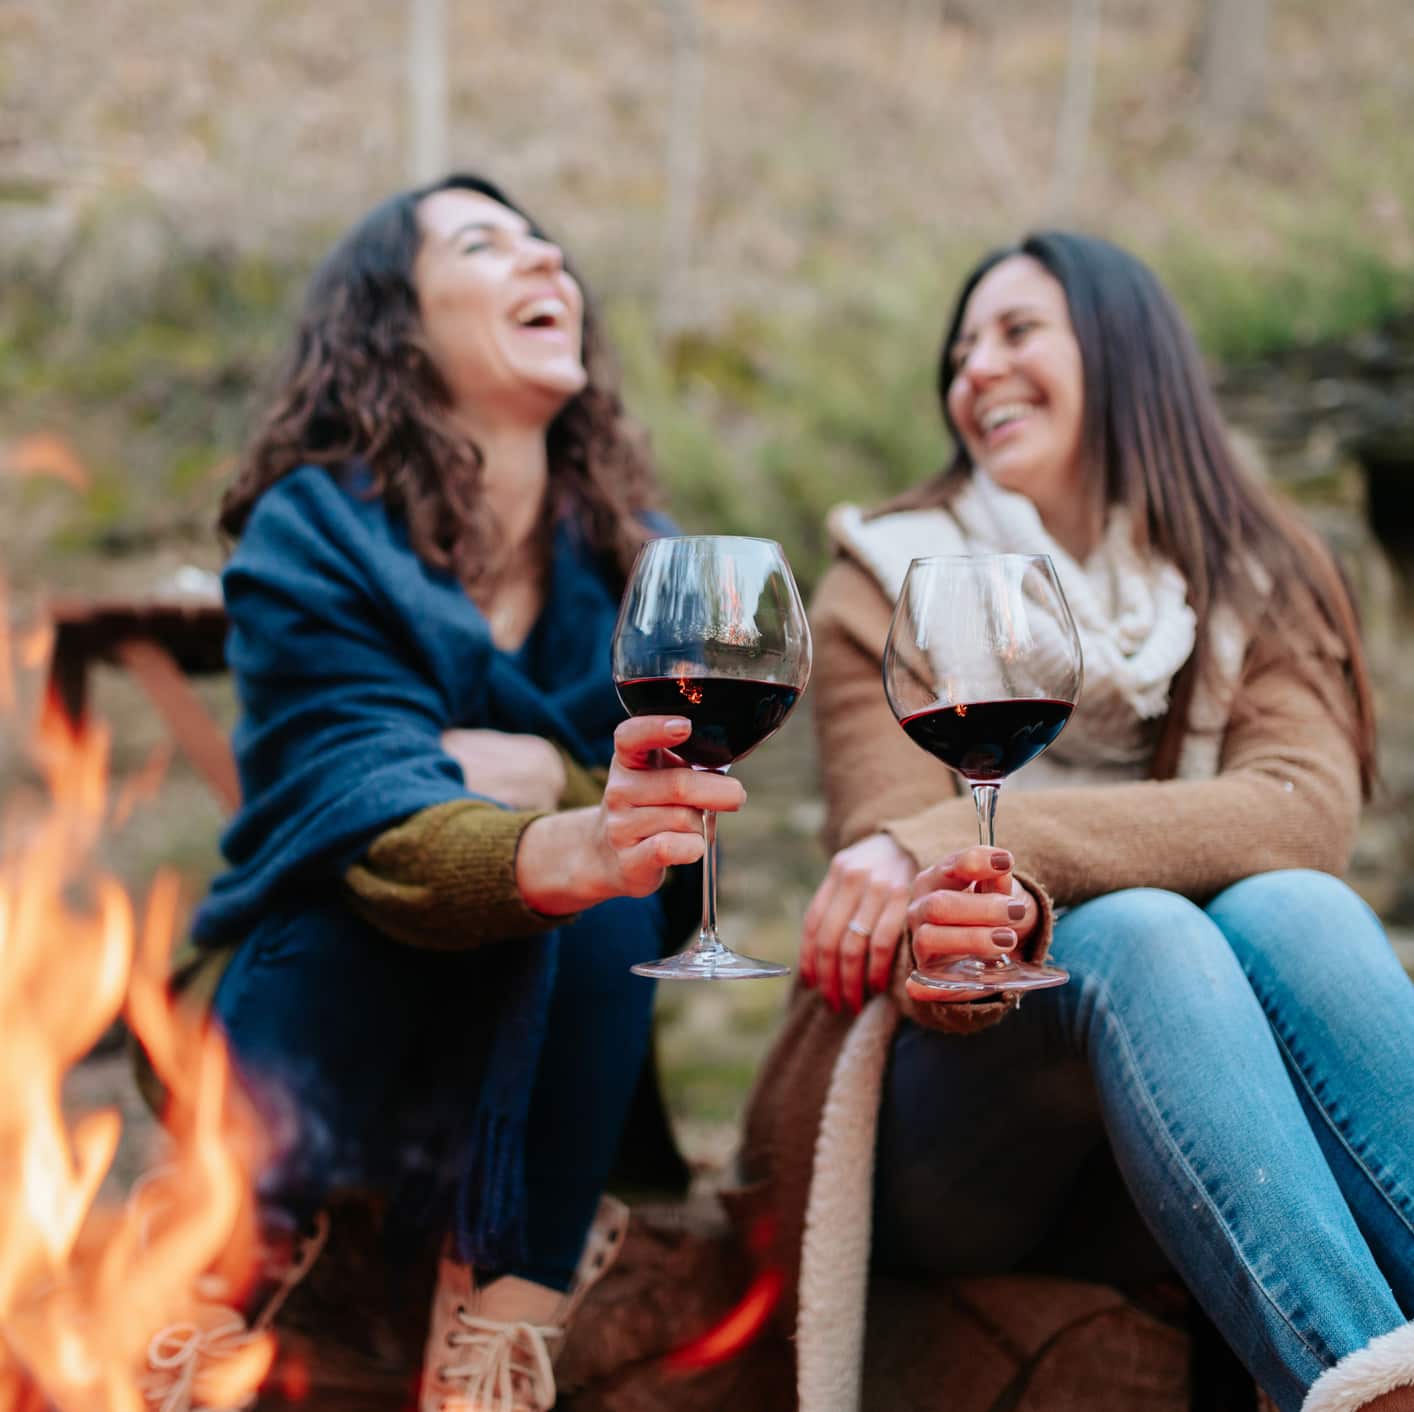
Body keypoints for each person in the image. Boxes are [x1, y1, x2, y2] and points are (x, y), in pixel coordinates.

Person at [739, 231, 1414, 1412]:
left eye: (1015, 332)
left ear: (1121, 350)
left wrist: (991, 841)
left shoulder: (1261, 569)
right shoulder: (885, 579)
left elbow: (1297, 813)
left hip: (1199, 1135)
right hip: (945, 1115)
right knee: (1144, 929)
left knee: (1296, 901)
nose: (975, 371)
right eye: (958, 353)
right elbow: (916, 902)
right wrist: (954, 872)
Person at [148, 173, 741, 1412]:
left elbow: (683, 844)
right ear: (394, 328)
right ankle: (200, 1292)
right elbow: (355, 792)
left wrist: (560, 799)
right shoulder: (311, 533)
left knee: (613, 883)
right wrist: (560, 815)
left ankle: (496, 1348)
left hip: (561, 1028)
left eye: (552, 248)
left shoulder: (641, 559)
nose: (548, 265)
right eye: (486, 244)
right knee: (347, 875)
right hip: (326, 1020)